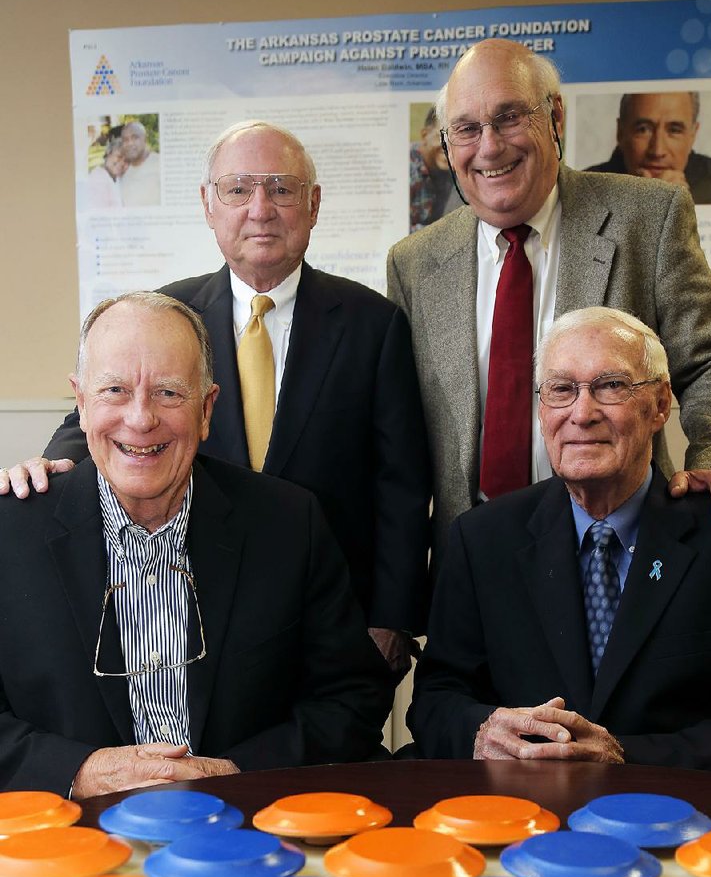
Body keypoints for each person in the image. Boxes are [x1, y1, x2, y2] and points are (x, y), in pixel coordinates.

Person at [5, 121, 431, 676]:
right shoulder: (168, 314)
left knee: (325, 752)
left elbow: (400, 485)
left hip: (335, 619)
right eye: (238, 189)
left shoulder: (374, 324)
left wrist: (391, 619)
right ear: (209, 204)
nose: (261, 209)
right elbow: (101, 408)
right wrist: (47, 464)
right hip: (198, 607)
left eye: (281, 189)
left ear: (314, 204)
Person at [386, 39, 711, 567]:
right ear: (448, 145)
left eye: (510, 117)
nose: (490, 147)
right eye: (468, 129)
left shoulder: (646, 217)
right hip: (474, 564)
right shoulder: (414, 263)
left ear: (555, 117)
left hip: (618, 546)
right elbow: (398, 447)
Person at [0, 293, 394, 797]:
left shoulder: (290, 523)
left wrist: (232, 773)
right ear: (80, 403)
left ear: (207, 408)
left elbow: (353, 698)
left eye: (168, 393)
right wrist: (80, 772)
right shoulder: (11, 529)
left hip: (246, 828)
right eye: (115, 390)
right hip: (66, 836)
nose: (140, 420)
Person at [409, 308, 711, 779]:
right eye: (561, 389)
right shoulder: (482, 539)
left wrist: (627, 757)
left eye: (611, 385)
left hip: (681, 827)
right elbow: (435, 700)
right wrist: (481, 730)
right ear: (541, 410)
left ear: (659, 406)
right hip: (521, 822)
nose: (582, 413)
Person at [586, 91, 711, 206]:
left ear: (693, 134)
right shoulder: (586, 187)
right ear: (620, 132)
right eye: (643, 129)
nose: (657, 151)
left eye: (674, 130)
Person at [410, 106, 461, 231]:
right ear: (424, 135)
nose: (449, 147)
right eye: (441, 137)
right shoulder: (406, 168)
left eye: (456, 138)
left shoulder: (458, 168)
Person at [118, 120, 161, 206]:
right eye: (125, 140)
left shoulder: (159, 164)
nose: (130, 143)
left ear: (145, 138)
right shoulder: (122, 170)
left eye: (135, 137)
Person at [86, 139, 127, 209]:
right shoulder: (97, 179)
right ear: (108, 153)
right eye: (119, 156)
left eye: (126, 160)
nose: (122, 163)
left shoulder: (117, 179)